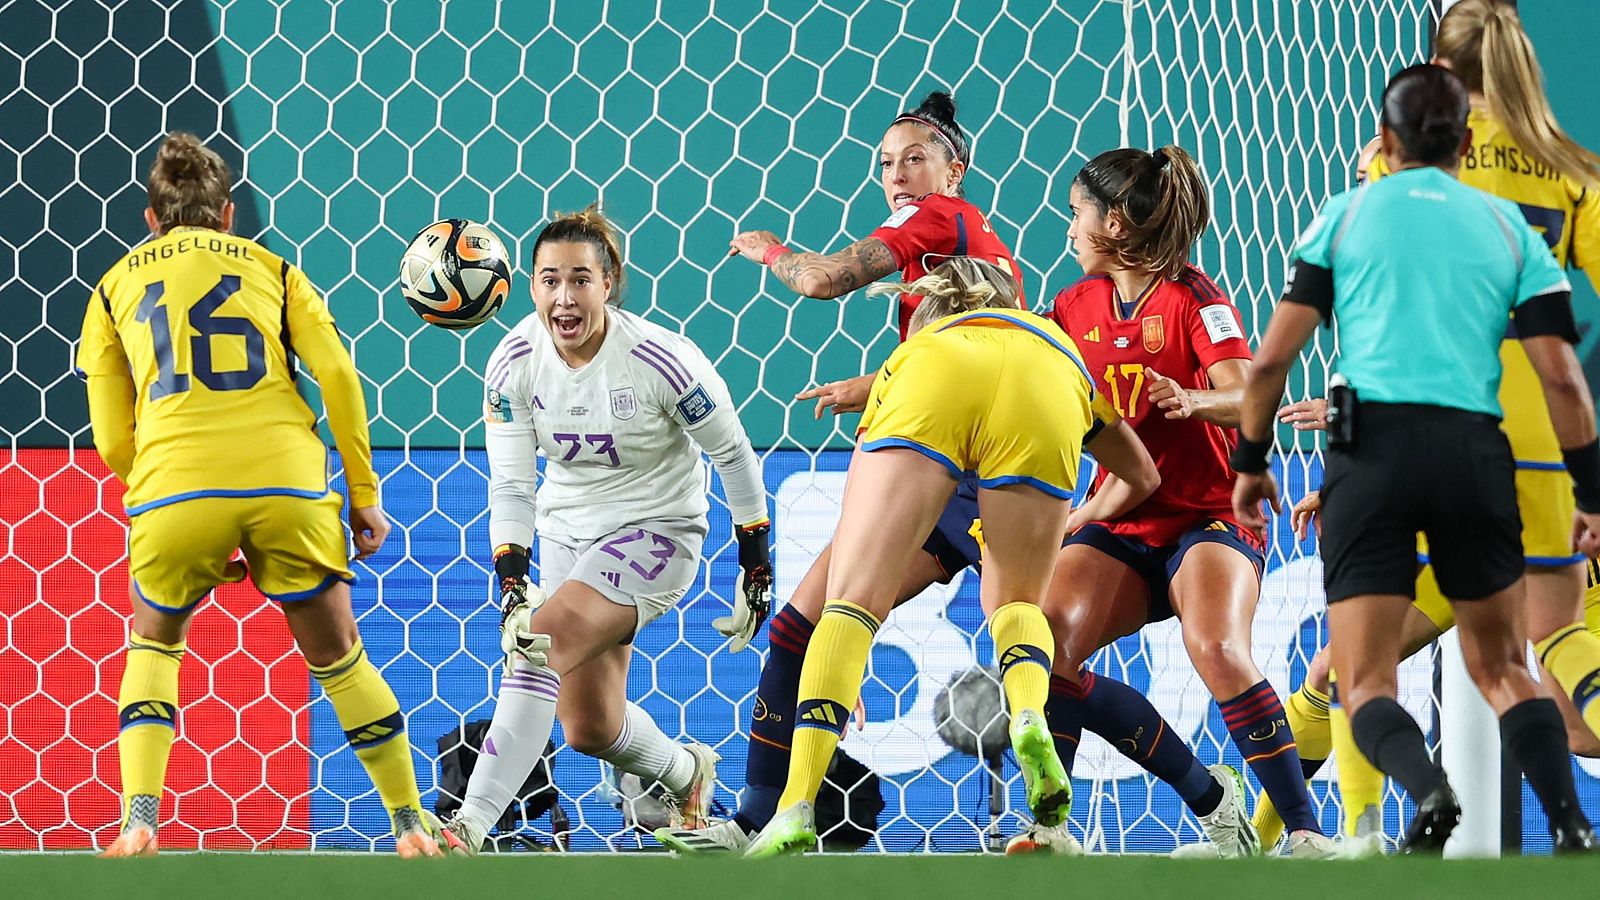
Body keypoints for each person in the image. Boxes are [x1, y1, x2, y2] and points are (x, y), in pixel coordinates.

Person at [659, 92, 1217, 855]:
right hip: (1013, 418)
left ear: (956, 169)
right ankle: (1209, 797)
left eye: (914, 158)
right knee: (1047, 665)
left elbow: (822, 281)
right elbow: (983, 354)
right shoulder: (991, 260)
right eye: (885, 163)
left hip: (939, 441)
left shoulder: (938, 217)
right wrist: (869, 384)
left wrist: (769, 251)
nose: (897, 175)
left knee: (815, 621)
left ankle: (767, 813)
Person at [1253, 0, 1600, 852]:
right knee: (1541, 646)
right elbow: (1560, 363)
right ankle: (1300, 833)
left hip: (1392, 433)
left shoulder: (1380, 182)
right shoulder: (1566, 175)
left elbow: (1337, 321)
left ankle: (1351, 823)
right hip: (1527, 444)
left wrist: (1314, 450)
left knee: (1352, 665)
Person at [81, 132, 438, 857]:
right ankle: (411, 827)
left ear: (151, 218)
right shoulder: (275, 269)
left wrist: (171, 496)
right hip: (287, 480)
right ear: (229, 215)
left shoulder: (113, 284)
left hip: (175, 485)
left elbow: (112, 434)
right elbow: (336, 374)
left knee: (153, 643)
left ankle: (139, 821)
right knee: (340, 658)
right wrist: (363, 493)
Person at [740, 257, 1159, 857]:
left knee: (850, 602)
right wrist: (1081, 518)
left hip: (937, 384)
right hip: (1048, 384)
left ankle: (795, 806)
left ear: (931, 308)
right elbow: (1140, 474)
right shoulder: (1056, 345)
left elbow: (866, 518)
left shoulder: (920, 349)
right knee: (1017, 604)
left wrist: (839, 660)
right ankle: (1027, 715)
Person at [1017, 144, 1330, 859]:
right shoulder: (1070, 305)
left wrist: (1193, 399)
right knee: (1050, 651)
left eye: (1076, 214)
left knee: (1215, 645)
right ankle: (1060, 828)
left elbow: (1255, 391)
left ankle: (1307, 831)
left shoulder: (1196, 299)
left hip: (1208, 514)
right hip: (1121, 516)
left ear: (1117, 225)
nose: (1067, 229)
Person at [434, 207, 774, 855]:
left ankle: (467, 826)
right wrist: (513, 582)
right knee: (589, 726)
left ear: (610, 281)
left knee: (535, 647)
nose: (564, 297)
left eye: (581, 280)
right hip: (568, 535)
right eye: (549, 280)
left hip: (658, 533)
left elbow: (732, 453)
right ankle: (685, 774)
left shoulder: (660, 360)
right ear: (526, 286)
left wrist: (754, 565)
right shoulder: (511, 364)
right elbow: (510, 485)